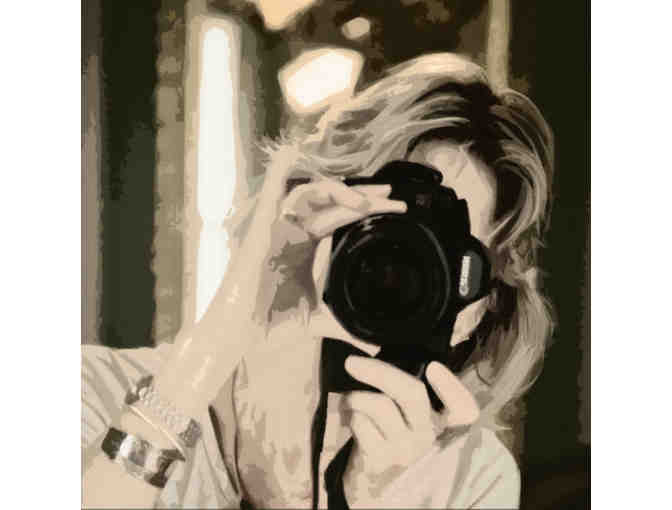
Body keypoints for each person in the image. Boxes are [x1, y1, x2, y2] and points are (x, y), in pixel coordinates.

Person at [82, 53, 553, 509]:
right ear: (299, 210)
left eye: (438, 257)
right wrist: (198, 365)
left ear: (474, 310)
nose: (394, 272)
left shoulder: (466, 480)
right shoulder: (90, 394)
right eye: (379, 230)